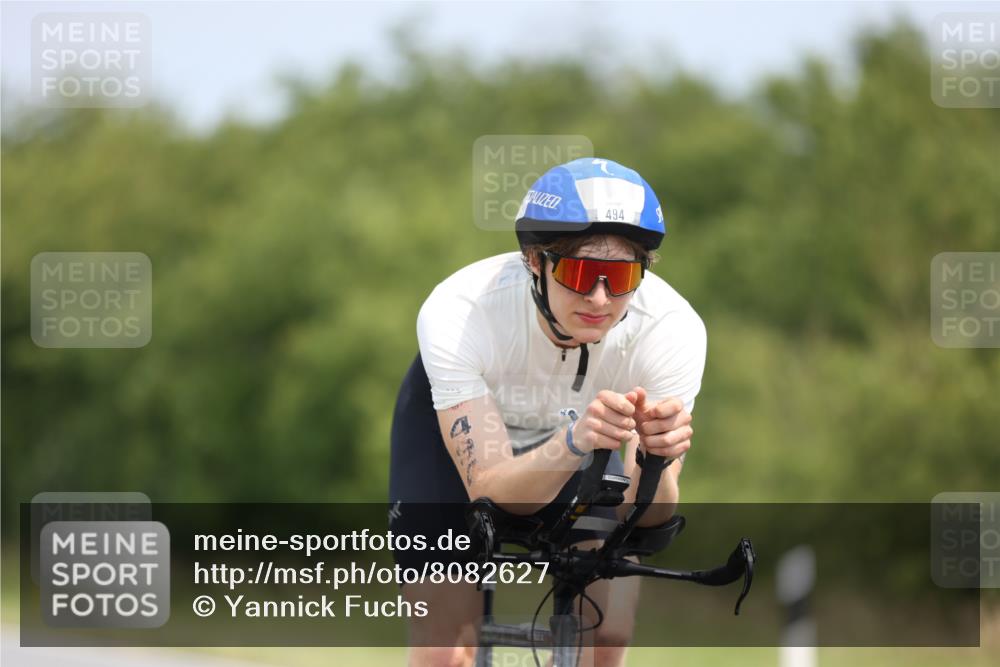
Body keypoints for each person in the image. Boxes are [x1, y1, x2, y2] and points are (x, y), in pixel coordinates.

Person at [389, 157, 706, 667]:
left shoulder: (672, 330)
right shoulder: (460, 309)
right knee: (447, 645)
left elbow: (648, 520)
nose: (600, 299)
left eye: (621, 275)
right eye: (581, 273)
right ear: (535, 259)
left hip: (582, 441)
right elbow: (491, 490)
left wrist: (656, 461)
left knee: (607, 639)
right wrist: (575, 441)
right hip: (460, 451)